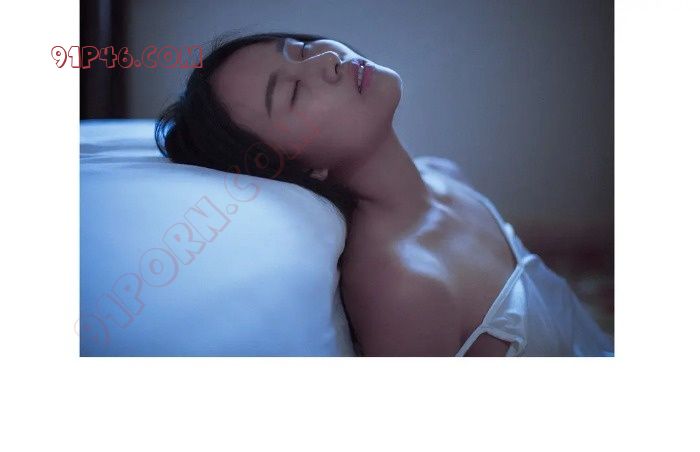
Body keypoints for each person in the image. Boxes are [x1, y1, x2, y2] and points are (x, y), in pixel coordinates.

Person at [155, 31, 613, 357]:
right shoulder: (401, 284)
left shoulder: (442, 175)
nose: (326, 60)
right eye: (292, 92)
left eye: (302, 49)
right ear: (298, 166)